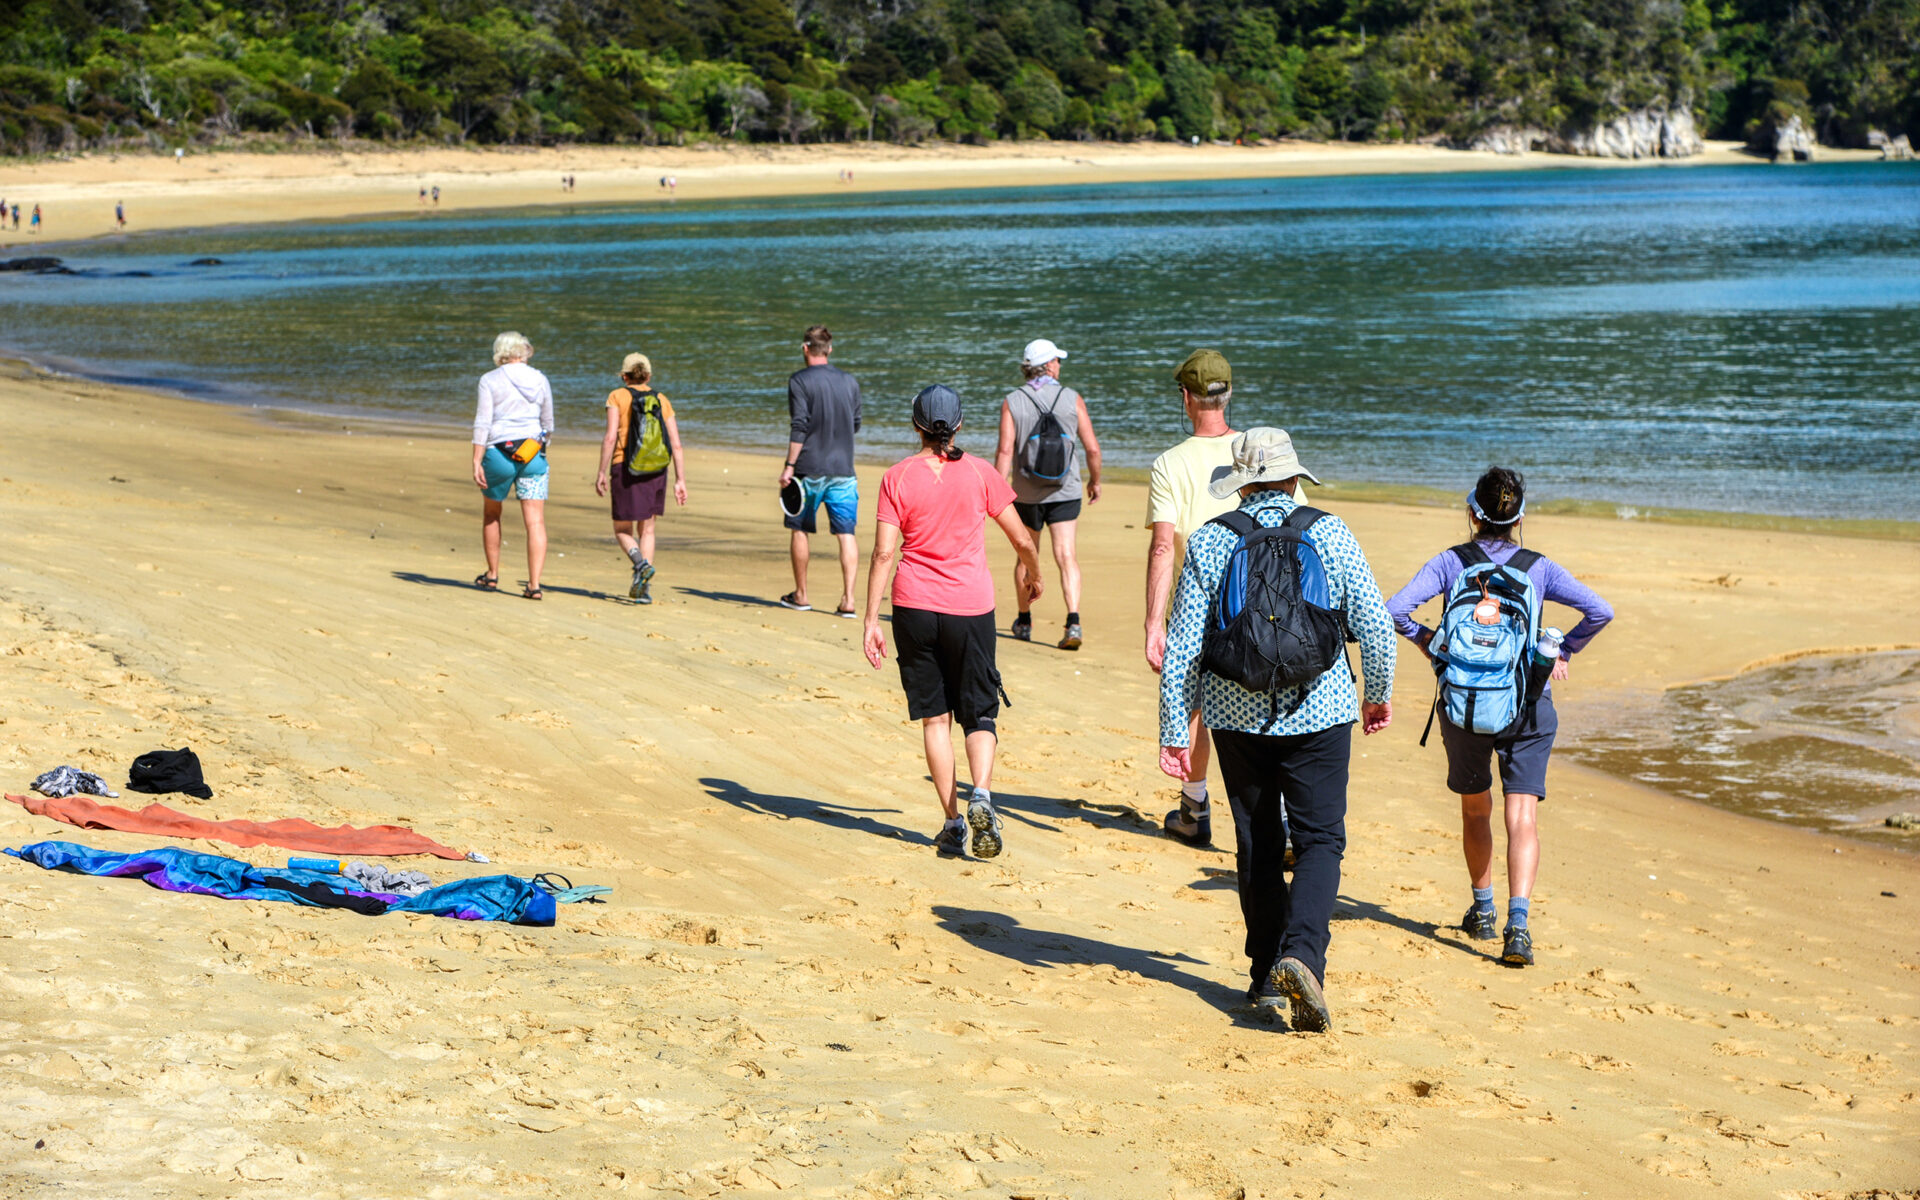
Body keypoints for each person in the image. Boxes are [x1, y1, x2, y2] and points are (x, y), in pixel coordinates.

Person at [1157, 428, 1395, 1031]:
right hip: (1320, 709)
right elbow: (1375, 623)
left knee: (1258, 841)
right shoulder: (1329, 531)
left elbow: (1185, 642)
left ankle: (1265, 974)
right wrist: (1377, 694)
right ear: (1293, 479)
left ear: (1240, 484)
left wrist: (1173, 729)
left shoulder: (1213, 540)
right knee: (1320, 840)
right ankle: (1303, 957)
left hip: (1236, 717)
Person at [1385, 467, 1613, 968]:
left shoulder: (1451, 562)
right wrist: (1563, 652)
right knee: (1522, 817)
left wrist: (1432, 646)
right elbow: (1601, 611)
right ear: (1520, 519)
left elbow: (1397, 609)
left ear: (1473, 515)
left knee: (1475, 810)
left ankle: (1482, 909)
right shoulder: (1540, 568)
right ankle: (1518, 927)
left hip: (1463, 704)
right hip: (1526, 703)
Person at [862, 385, 1044, 860]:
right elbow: (1021, 538)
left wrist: (869, 619)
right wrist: (1035, 574)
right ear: (959, 424)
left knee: (934, 717)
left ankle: (951, 823)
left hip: (913, 607)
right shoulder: (981, 473)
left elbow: (884, 552)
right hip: (971, 609)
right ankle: (981, 794)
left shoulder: (896, 477)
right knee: (980, 712)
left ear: (916, 425)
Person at [1144, 350, 1239, 848]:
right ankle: (1285, 821)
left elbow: (1163, 545)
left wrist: (1153, 623)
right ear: (1229, 395)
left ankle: (1195, 807)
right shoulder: (1260, 450)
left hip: (1199, 599)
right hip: (1263, 594)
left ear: (1186, 398)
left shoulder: (1169, 464)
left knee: (1196, 704)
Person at [993, 337, 1102, 650]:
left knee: (1026, 556)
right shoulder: (1072, 398)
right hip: (1065, 490)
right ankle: (1074, 622)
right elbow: (1092, 448)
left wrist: (997, 492)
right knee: (1066, 555)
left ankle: (1024, 621)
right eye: (1057, 360)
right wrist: (1095, 481)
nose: (1059, 365)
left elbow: (1004, 451)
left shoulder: (1012, 401)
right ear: (1049, 365)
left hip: (1026, 492)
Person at [777, 325, 862, 616]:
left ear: (805, 348)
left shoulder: (799, 381)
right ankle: (848, 600)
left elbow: (799, 424)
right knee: (846, 533)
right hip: (843, 468)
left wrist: (789, 466)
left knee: (799, 529)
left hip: (808, 468)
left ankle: (801, 595)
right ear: (829, 349)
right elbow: (856, 423)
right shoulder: (849, 381)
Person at [596, 352, 687, 605]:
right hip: (657, 468)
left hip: (625, 467)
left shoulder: (617, 396)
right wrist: (681, 480)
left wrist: (601, 472)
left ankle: (640, 563)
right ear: (648, 376)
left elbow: (610, 438)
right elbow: (676, 445)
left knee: (622, 528)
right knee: (648, 529)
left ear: (624, 376)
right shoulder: (661, 399)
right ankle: (644, 589)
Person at [470, 331, 554, 600]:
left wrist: (475, 459)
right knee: (536, 522)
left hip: (498, 453)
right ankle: (534, 585)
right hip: (532, 454)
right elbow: (548, 423)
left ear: (500, 352)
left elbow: (483, 422)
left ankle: (492, 575)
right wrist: (540, 446)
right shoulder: (540, 378)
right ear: (524, 350)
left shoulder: (489, 380)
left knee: (492, 514)